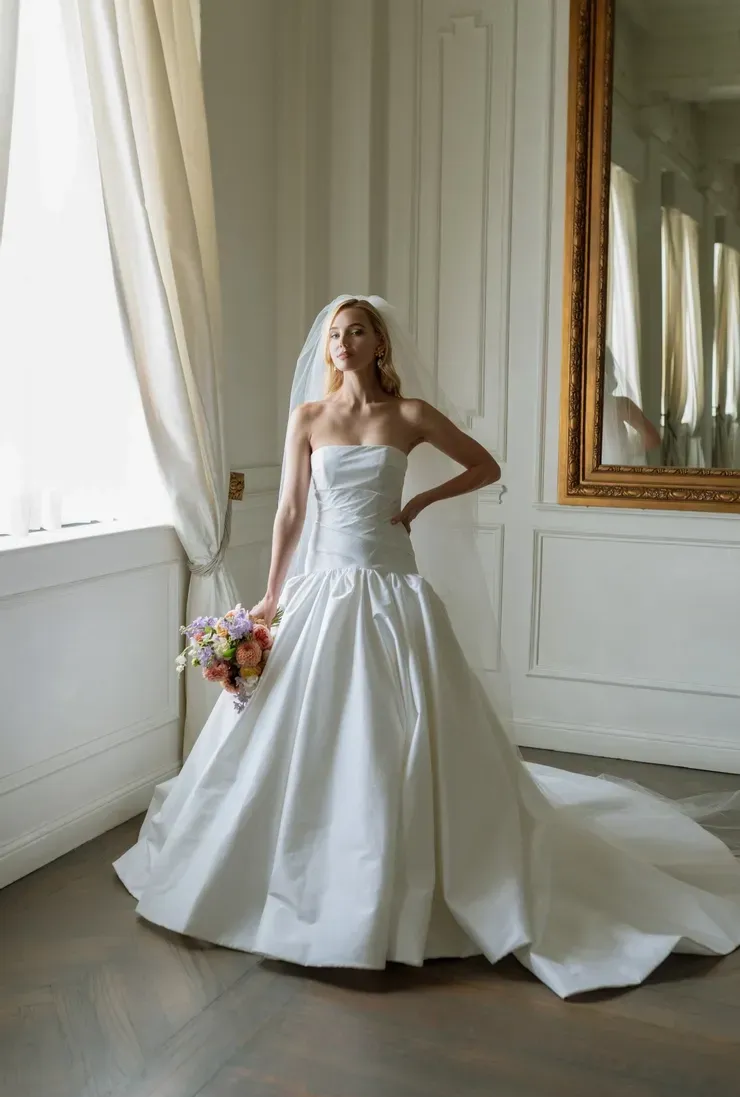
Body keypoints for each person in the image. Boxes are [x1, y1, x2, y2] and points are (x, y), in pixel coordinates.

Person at [115, 296, 740, 999]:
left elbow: (484, 465)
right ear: (326, 350)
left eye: (356, 331)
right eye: (333, 333)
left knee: (403, 722)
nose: (343, 342)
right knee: (303, 726)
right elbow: (291, 509)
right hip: (324, 585)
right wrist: (269, 595)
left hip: (389, 582)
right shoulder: (308, 419)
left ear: (380, 343)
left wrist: (416, 506)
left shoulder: (408, 417)